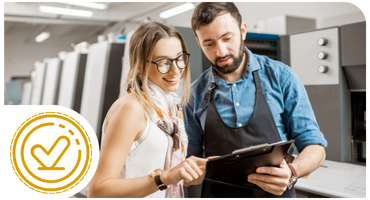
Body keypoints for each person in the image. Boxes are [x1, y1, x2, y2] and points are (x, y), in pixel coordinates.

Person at [184, 2, 328, 199]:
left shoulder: (281, 77)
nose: (221, 51)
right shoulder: (194, 95)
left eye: (227, 38)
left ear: (243, 30)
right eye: (209, 43)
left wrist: (292, 172)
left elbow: (315, 146)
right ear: (199, 43)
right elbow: (188, 168)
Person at [88, 21, 207, 200]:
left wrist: (193, 172)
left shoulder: (170, 110)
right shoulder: (131, 109)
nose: (176, 70)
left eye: (180, 58)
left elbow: (164, 178)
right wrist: (164, 177)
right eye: (164, 62)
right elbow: (97, 192)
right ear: (140, 65)